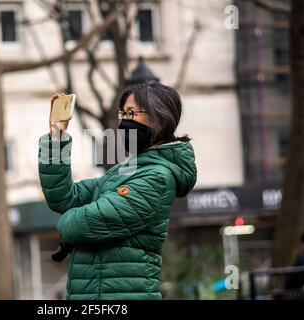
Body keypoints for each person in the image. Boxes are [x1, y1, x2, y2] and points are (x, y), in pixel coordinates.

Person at [38, 81, 197, 300]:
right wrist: (56, 137)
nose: (124, 121)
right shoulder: (122, 173)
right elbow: (63, 198)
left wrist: (66, 223)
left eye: (132, 113)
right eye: (123, 113)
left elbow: (81, 225)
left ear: (160, 121)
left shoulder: (157, 178)